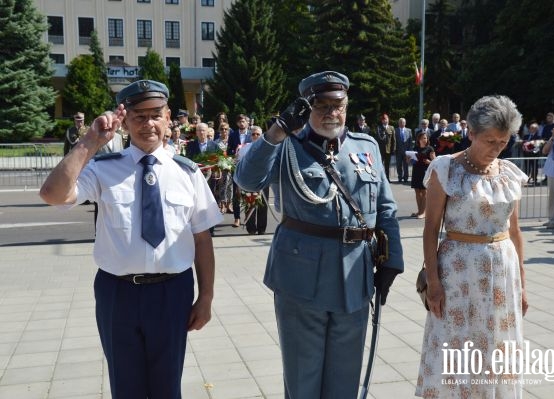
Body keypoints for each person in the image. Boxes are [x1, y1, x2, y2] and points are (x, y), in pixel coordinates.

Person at [38, 80, 222, 398]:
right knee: (126, 388)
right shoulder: (103, 168)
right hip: (117, 294)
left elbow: (202, 239)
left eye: (155, 115)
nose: (148, 123)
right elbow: (52, 194)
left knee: (167, 388)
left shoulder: (188, 173)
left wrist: (205, 297)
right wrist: (91, 141)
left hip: (171, 292)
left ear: (168, 119)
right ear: (125, 122)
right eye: (138, 116)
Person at [234, 71, 403, 399]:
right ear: (306, 107)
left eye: (337, 105)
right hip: (301, 279)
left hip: (355, 276)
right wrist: (275, 132)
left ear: (347, 104)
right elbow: (247, 181)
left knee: (345, 379)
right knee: (303, 379)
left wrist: (392, 259)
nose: (330, 113)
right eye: (320, 105)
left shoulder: (365, 147)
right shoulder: (286, 147)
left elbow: (386, 208)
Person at [416, 95, 529, 398]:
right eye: (489, 140)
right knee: (457, 343)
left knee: (497, 344)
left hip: (503, 276)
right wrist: (434, 281)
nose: (495, 148)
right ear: (471, 132)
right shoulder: (446, 169)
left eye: (503, 142)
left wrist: (522, 284)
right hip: (458, 276)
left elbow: (515, 231)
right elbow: (431, 228)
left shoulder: (508, 173)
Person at [237, 125, 269, 235]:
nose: (255, 136)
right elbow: (240, 164)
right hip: (248, 180)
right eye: (253, 134)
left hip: (263, 180)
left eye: (258, 134)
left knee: (262, 204)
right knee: (249, 203)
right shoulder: (244, 148)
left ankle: (261, 228)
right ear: (250, 136)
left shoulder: (267, 148)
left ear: (261, 135)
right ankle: (251, 228)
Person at [409, 131, 435, 219]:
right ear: (418, 139)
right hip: (416, 170)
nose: (424, 139)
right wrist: (408, 159)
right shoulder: (415, 148)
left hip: (425, 171)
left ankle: (424, 212)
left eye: (426, 138)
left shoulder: (430, 149)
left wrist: (429, 162)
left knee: (424, 192)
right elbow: (411, 161)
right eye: (422, 138)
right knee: (417, 191)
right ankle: (419, 211)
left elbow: (435, 162)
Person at [373, 113, 396, 181]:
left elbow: (393, 140)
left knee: (387, 165)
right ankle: (379, 178)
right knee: (379, 165)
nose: (385, 120)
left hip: (388, 150)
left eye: (386, 119)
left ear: (388, 119)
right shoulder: (379, 128)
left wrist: (393, 149)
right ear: (382, 121)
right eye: (383, 119)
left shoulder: (391, 128)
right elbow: (377, 139)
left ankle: (387, 178)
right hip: (380, 150)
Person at [395, 117, 412, 183]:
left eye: (403, 122)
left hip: (406, 151)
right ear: (398, 123)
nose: (402, 123)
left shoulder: (409, 130)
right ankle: (400, 177)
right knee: (398, 165)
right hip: (398, 151)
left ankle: (406, 178)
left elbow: (410, 141)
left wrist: (410, 151)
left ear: (405, 123)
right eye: (400, 122)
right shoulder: (395, 130)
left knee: (406, 165)